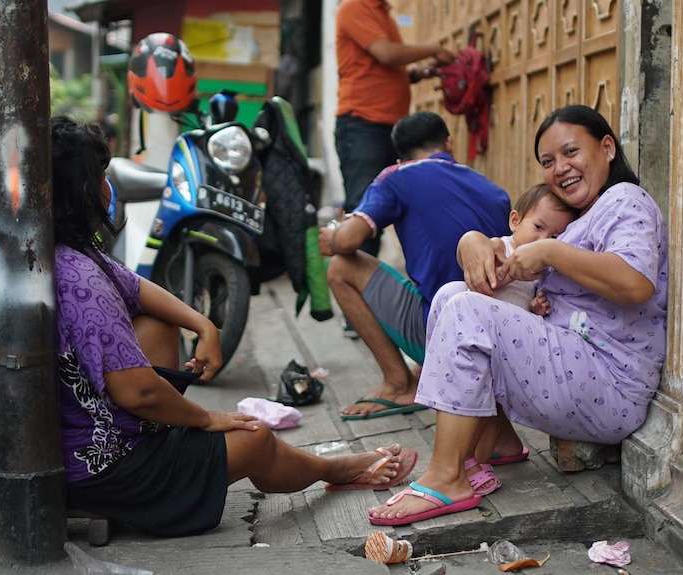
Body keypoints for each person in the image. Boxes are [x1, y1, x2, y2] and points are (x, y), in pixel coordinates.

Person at [49, 116, 420, 538]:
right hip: (105, 470)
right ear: (82, 189)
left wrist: (204, 325)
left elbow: (134, 286)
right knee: (255, 437)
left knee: (159, 324)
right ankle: (336, 468)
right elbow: (139, 392)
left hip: (88, 442)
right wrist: (206, 419)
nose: (107, 188)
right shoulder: (81, 280)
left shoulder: (69, 253)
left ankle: (172, 442)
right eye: (101, 176)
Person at [368, 104, 668, 526]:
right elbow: (509, 250)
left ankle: (447, 477)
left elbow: (636, 283)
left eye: (571, 152)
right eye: (548, 161)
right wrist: (471, 242)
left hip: (608, 381)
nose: (561, 168)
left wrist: (549, 251)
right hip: (571, 370)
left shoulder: (625, 199)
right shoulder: (571, 216)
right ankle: (499, 443)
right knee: (452, 294)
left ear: (607, 147)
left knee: (469, 311)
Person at [319, 111, 511, 420]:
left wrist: (333, 237)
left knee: (341, 267)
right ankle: (425, 371)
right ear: (449, 142)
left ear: (400, 156)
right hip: (500, 334)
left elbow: (349, 241)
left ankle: (398, 383)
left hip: (447, 332)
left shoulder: (396, 177)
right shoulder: (491, 188)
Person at [334, 0, 454, 263]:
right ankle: (355, 290)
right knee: (363, 215)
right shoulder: (354, 7)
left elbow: (380, 69)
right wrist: (434, 49)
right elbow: (386, 54)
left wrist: (417, 74)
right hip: (363, 126)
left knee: (397, 203)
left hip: (388, 127)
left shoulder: (382, 11)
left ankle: (370, 290)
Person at [427, 183, 578, 319]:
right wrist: (511, 273)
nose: (543, 240)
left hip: (510, 332)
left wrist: (536, 308)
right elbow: (483, 281)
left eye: (554, 237)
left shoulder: (542, 270)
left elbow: (524, 302)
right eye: (538, 227)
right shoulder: (500, 247)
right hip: (480, 318)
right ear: (515, 221)